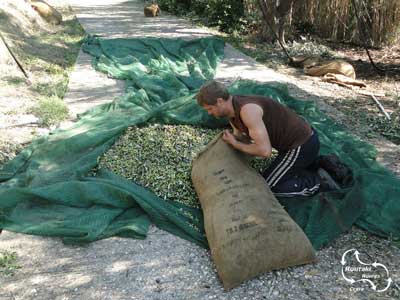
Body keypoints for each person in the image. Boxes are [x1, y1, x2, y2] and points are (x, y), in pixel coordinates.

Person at [196, 80, 339, 197]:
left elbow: (265, 152)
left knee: (270, 186)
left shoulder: (248, 111)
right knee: (274, 174)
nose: (209, 113)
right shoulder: (233, 109)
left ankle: (319, 182)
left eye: (209, 108)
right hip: (293, 144)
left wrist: (235, 144)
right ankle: (318, 164)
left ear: (220, 101)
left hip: (301, 145)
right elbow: (239, 136)